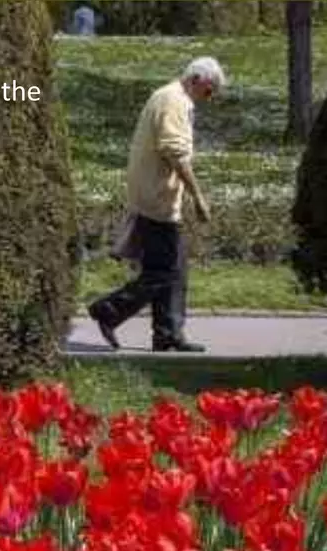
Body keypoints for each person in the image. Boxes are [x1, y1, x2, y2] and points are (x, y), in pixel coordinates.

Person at [89, 57, 224, 353]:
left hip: (154, 196)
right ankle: (109, 309)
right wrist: (198, 197)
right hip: (156, 200)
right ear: (197, 79)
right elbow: (174, 152)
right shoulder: (173, 101)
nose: (209, 98)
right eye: (210, 91)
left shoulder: (172, 98)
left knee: (171, 268)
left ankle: (167, 333)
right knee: (166, 272)